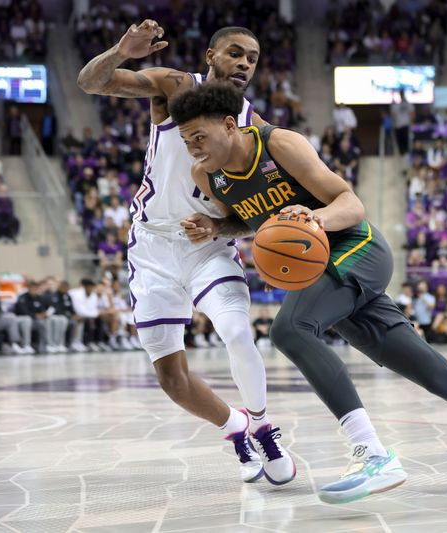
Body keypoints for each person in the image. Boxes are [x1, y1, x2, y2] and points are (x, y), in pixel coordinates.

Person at [172, 82, 447, 504]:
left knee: (290, 329)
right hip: (321, 273)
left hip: (356, 247)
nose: (193, 147)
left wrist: (314, 219)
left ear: (229, 125)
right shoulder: (208, 175)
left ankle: (373, 453)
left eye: (199, 136)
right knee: (441, 379)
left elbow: (350, 203)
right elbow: (251, 220)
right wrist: (215, 226)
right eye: (187, 140)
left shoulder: (280, 144)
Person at [77, 21, 293, 483]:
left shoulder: (254, 126)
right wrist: (120, 51)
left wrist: (221, 226)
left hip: (208, 245)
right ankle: (236, 429)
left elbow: (255, 212)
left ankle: (262, 425)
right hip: (152, 245)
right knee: (172, 379)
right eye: (235, 53)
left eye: (252, 59)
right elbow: (90, 83)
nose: (244, 64)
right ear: (211, 56)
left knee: (236, 332)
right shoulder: (174, 87)